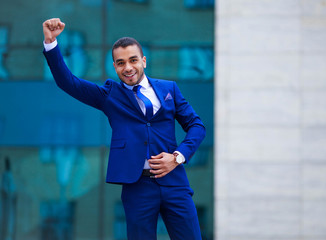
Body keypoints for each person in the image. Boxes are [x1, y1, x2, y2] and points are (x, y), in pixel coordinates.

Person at [42, 18, 206, 240]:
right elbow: (68, 82)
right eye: (120, 63)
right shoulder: (110, 96)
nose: (128, 67)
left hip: (174, 181)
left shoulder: (170, 89)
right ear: (115, 66)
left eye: (133, 60)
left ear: (144, 61)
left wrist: (177, 157)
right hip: (137, 186)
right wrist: (51, 43)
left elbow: (196, 126)